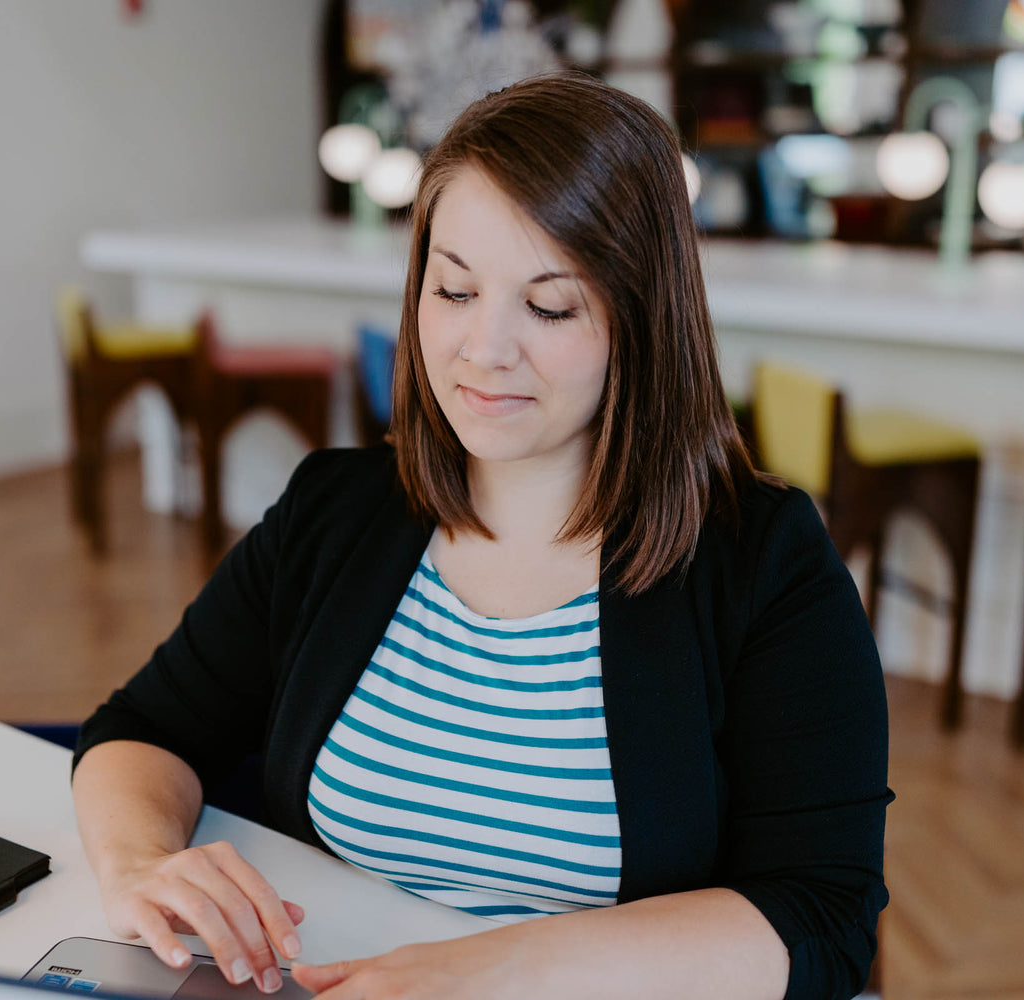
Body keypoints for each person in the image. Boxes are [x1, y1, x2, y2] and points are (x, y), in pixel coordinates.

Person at [71, 71, 890, 1000]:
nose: (484, 348)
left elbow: (821, 917)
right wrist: (137, 862)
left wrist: (493, 968)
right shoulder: (338, 512)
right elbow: (142, 729)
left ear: (644, 321)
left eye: (549, 306)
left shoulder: (762, 561)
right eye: (453, 291)